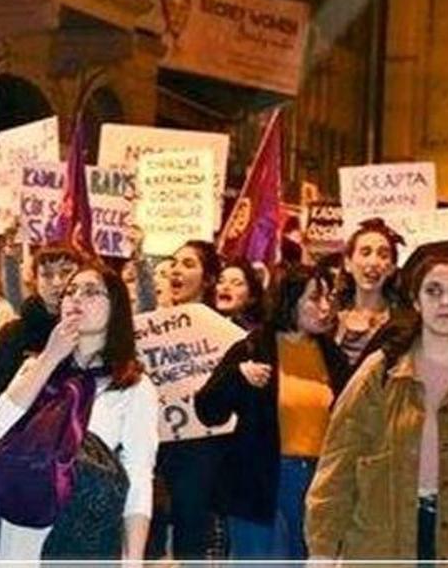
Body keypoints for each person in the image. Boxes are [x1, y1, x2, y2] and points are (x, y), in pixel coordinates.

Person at [305, 241, 448, 561]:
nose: (445, 302)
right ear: (416, 300)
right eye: (433, 291)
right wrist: (321, 551)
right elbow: (338, 467)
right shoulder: (381, 371)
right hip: (382, 542)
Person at [0, 265, 157, 560]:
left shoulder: (133, 386)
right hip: (10, 529)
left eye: (91, 291)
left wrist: (133, 559)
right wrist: (50, 357)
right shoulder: (37, 366)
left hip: (77, 533)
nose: (75, 298)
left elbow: (138, 474)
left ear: (117, 308)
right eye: (71, 291)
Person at [196, 266, 351, 559]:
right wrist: (236, 376)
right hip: (261, 480)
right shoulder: (254, 348)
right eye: (314, 298)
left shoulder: (333, 357)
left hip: (318, 481)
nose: (325, 307)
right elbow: (208, 410)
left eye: (328, 298)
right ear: (290, 301)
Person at [148, 240, 227, 560]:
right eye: (174, 262)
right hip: (154, 451)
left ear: (208, 279)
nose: (178, 270)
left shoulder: (225, 333)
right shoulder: (150, 326)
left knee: (191, 544)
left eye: (189, 264)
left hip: (200, 454)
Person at [0, 243, 85, 453]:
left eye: (66, 272)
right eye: (47, 275)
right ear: (35, 280)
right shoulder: (13, 335)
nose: (57, 282)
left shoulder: (93, 333)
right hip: (18, 450)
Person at [334, 218, 407, 367]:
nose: (373, 262)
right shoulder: (330, 317)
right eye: (365, 253)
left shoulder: (403, 323)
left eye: (383, 255)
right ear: (348, 263)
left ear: (392, 268)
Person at [214, 259, 266, 331]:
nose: (225, 287)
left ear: (252, 297)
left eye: (236, 283)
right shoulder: (203, 320)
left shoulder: (255, 335)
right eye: (221, 281)